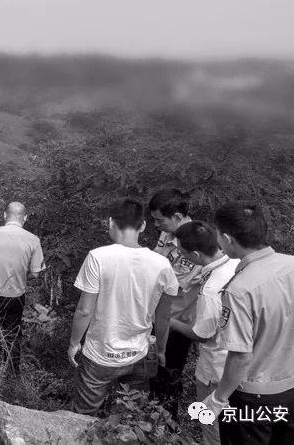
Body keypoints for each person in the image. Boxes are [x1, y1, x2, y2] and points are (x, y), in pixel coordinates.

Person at [202, 202, 294, 445]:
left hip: (253, 399)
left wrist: (218, 398)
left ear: (227, 238)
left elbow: (240, 356)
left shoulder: (239, 289)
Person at [68, 199, 179, 414]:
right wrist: (161, 350)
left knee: (83, 413)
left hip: (100, 354)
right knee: (130, 416)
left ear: (111, 222)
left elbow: (84, 310)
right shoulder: (162, 264)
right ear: (143, 225)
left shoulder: (98, 257)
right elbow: (163, 317)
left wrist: (74, 343)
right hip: (140, 354)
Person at [170, 221, 238, 445]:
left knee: (212, 426)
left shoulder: (210, 290)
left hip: (215, 370)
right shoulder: (236, 263)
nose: (180, 256)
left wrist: (169, 321)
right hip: (240, 365)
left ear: (196, 255)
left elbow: (202, 334)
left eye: (182, 253)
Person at [0, 202, 45, 377]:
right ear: (25, 218)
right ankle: (12, 373)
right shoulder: (33, 239)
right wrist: (19, 275)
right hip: (15, 295)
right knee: (12, 334)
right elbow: (35, 273)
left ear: (5, 215)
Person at [148, 189, 202, 415]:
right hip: (157, 315)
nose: (156, 225)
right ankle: (149, 417)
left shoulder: (196, 242)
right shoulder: (168, 233)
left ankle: (168, 423)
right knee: (152, 371)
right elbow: (157, 260)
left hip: (177, 320)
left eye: (159, 220)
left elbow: (173, 282)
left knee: (169, 374)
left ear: (178, 217)